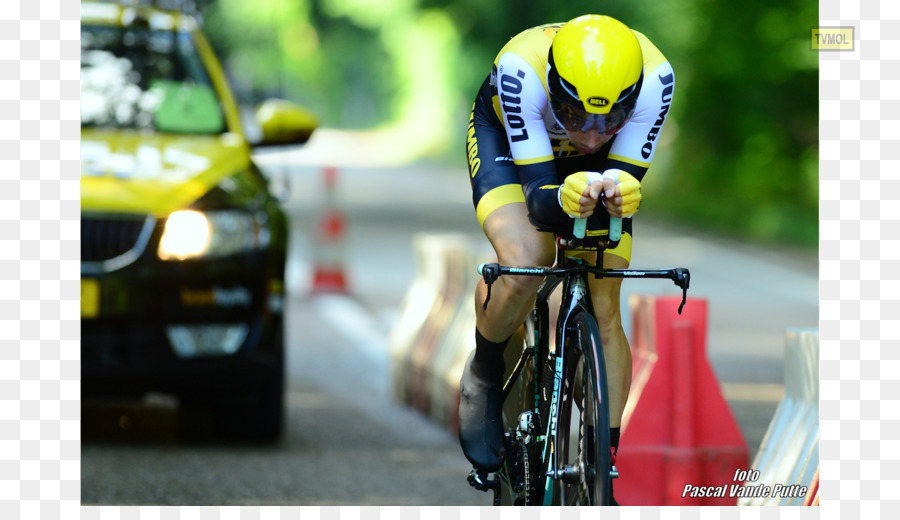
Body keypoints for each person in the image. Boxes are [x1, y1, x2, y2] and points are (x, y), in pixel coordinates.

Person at [459, 14, 675, 502]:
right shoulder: (521, 69)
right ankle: (485, 370)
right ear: (555, 87)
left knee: (605, 299)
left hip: (593, 174)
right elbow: (538, 198)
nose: (593, 136)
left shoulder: (657, 77)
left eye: (609, 121)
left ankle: (603, 466)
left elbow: (618, 174)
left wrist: (619, 194)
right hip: (514, 150)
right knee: (527, 258)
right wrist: (562, 198)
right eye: (577, 117)